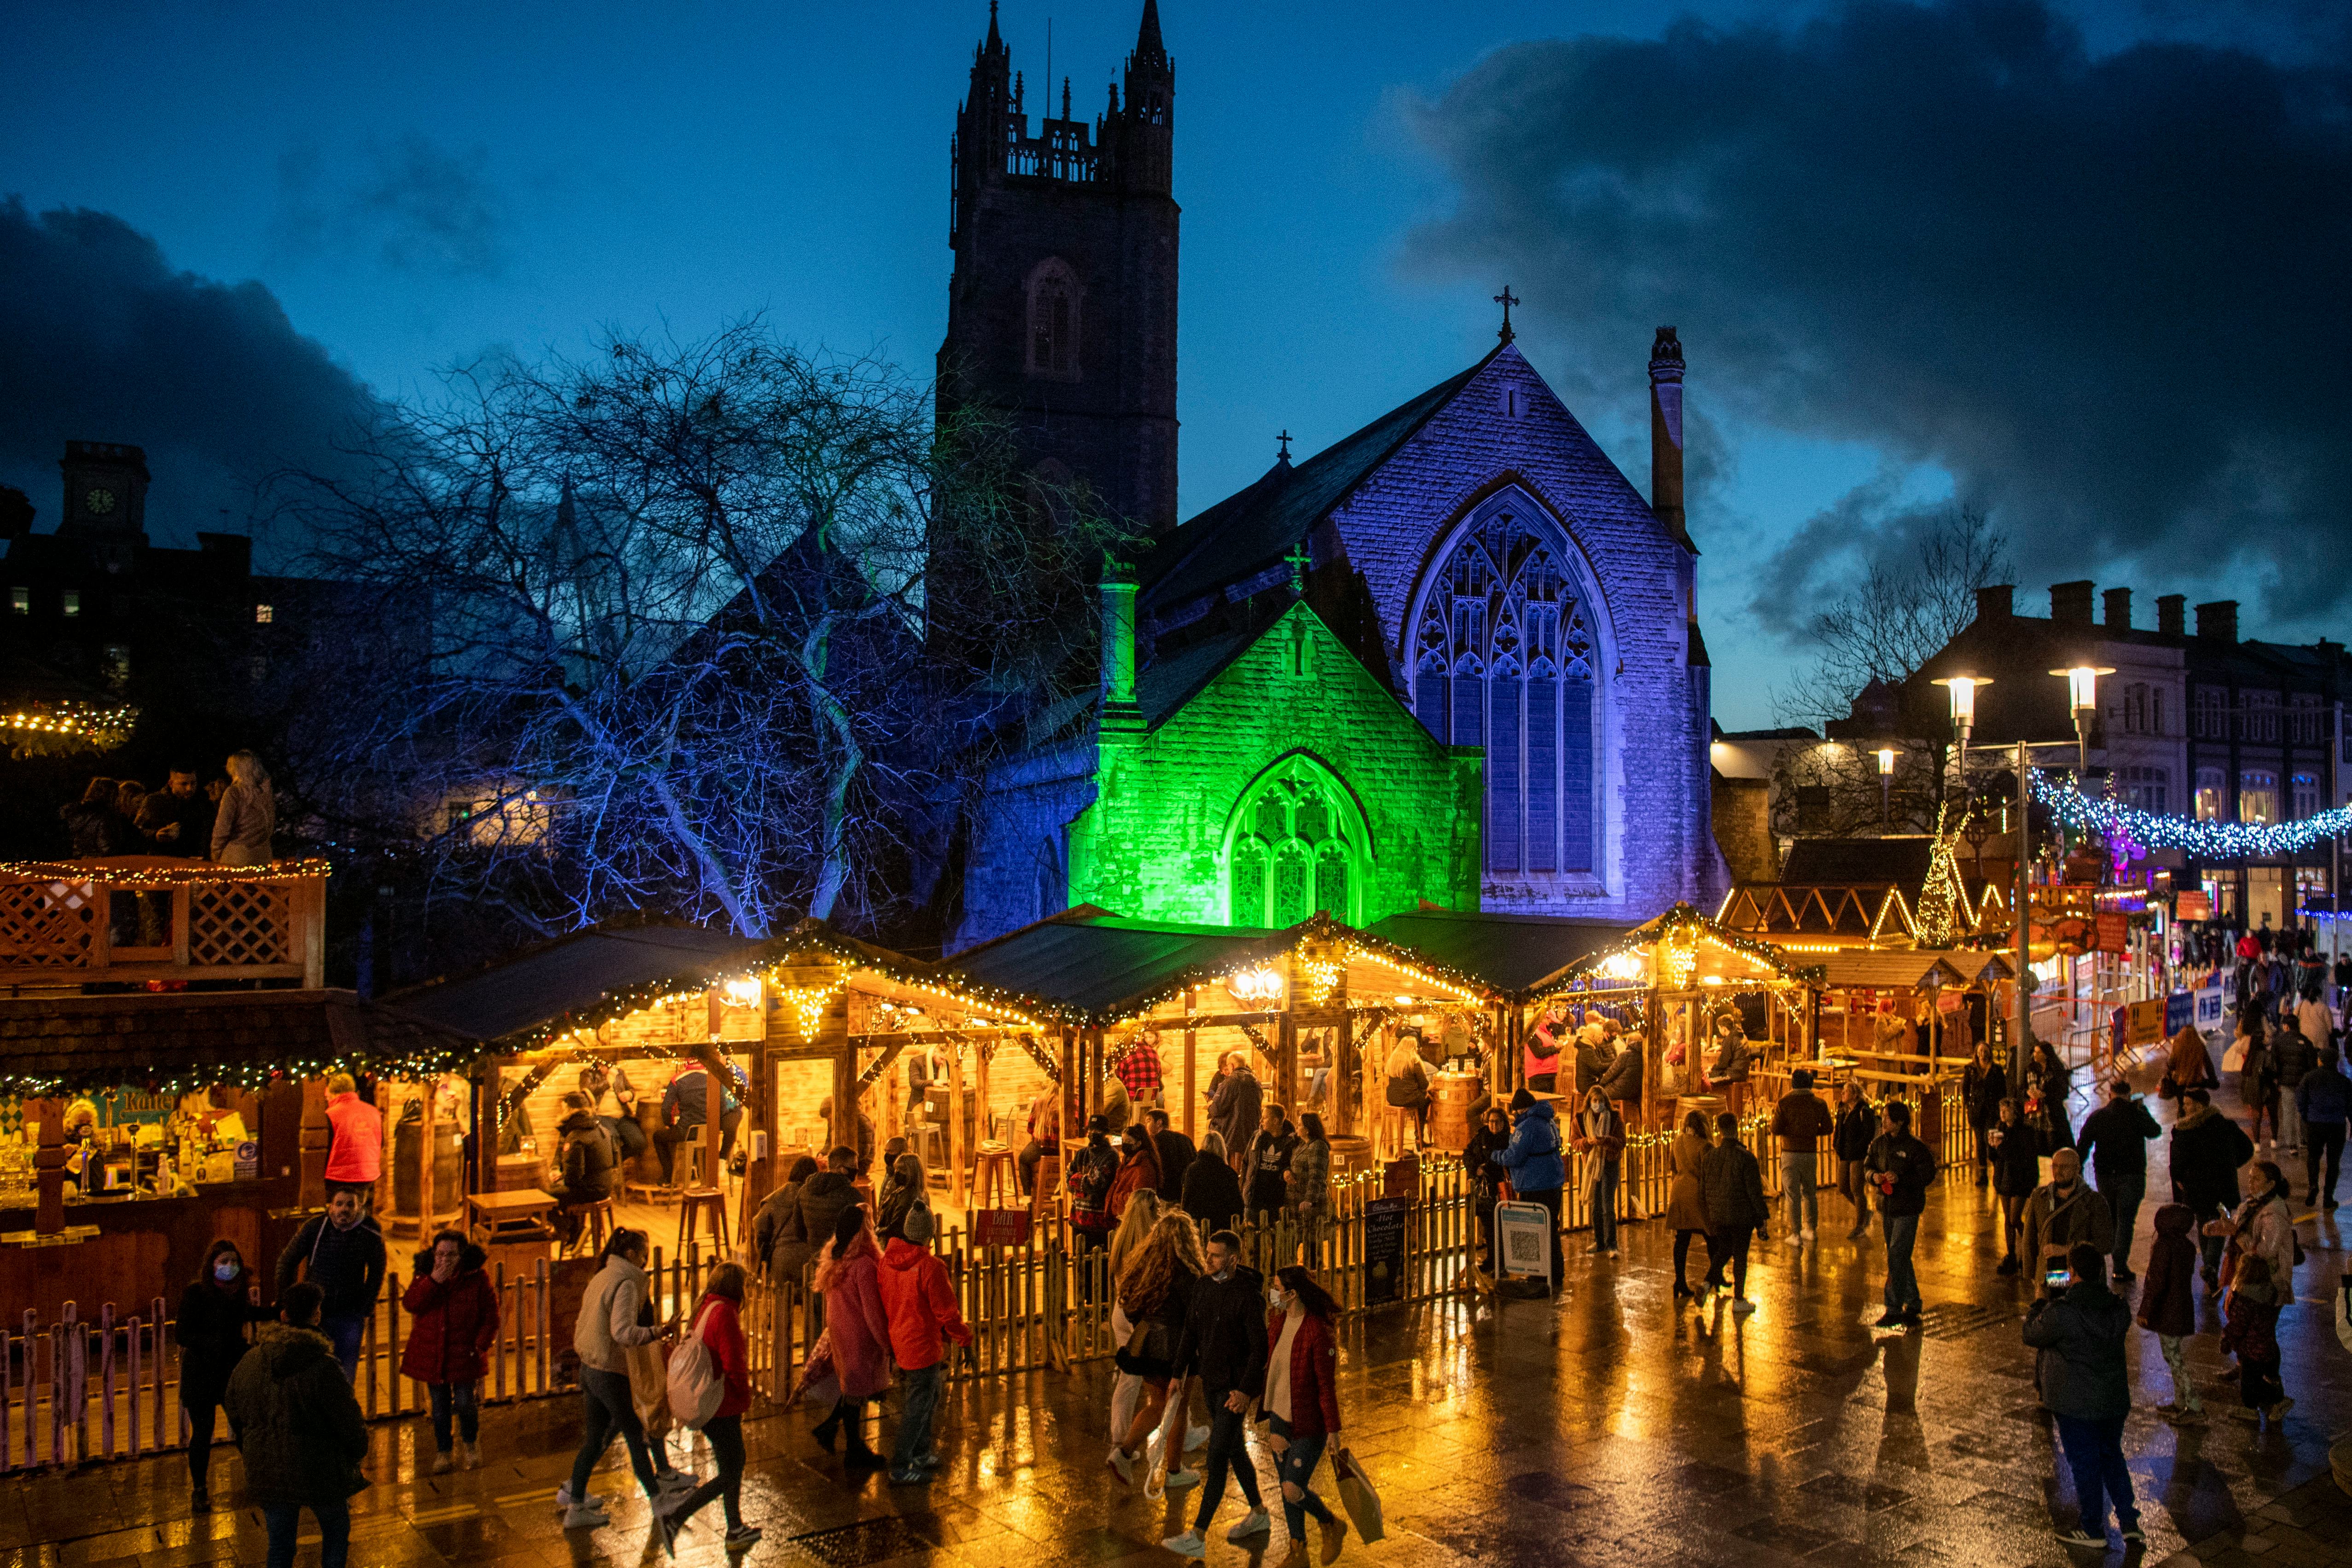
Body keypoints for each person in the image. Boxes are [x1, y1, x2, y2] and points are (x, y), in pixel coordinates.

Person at [224, 1281, 370, 1568]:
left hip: (268, 1469)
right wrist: (356, 1452)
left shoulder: (251, 1361)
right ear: (317, 1316)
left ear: (283, 1316)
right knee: (336, 1534)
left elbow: (234, 1410)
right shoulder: (324, 1366)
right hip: (321, 1471)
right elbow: (349, 1421)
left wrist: (253, 1449)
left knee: (280, 1547)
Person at [563, 1229, 695, 1527]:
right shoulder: (626, 1284)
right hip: (610, 1372)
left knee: (595, 1439)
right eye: (644, 1252)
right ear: (631, 1254)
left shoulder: (602, 1276)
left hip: (590, 1368)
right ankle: (659, 1501)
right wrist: (658, 1332)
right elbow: (622, 1332)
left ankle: (575, 1504)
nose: (647, 1258)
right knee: (635, 1436)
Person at [2023, 1244, 2142, 1550]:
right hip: (2113, 1399)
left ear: (2072, 1273)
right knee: (2111, 1456)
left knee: (2084, 1463)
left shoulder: (2061, 1313)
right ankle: (2129, 1522)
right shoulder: (2118, 1309)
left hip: (2075, 1403)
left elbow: (2031, 1334)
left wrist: (2039, 1302)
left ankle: (2092, 1528)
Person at [1161, 1230, 1271, 1559]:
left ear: (1233, 1259)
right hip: (1211, 1385)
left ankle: (1198, 1534)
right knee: (1236, 1450)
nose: (1208, 1260)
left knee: (1217, 1456)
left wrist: (1245, 1391)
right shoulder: (1203, 1287)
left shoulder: (1247, 1297)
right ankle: (1260, 1513)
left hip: (1233, 1392)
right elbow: (1191, 1331)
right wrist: (1177, 1373)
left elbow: (1260, 1348)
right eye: (1207, 1254)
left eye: (1215, 1256)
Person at [655, 1261, 759, 1553]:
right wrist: (744, 1397)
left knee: (731, 1465)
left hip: (710, 1402)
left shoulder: (706, 1307)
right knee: (732, 1470)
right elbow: (733, 1363)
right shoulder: (725, 1313)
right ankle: (676, 1517)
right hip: (721, 1404)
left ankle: (735, 1528)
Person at [873, 1202, 971, 1485]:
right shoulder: (930, 1267)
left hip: (901, 1340)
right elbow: (947, 1312)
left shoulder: (887, 1263)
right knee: (918, 1406)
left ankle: (921, 1452)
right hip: (923, 1345)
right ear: (931, 1234)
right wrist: (965, 1341)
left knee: (929, 1396)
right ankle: (901, 1465)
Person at [1108, 1210, 1204, 1484]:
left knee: (1158, 1404)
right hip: (1177, 1350)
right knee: (1179, 1407)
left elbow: (1129, 1307)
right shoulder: (1187, 1274)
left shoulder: (1143, 1269)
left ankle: (1124, 1452)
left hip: (1148, 1349)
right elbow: (1196, 1314)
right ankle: (1174, 1471)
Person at [1262, 1266, 1348, 1568]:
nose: (1273, 1294)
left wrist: (1333, 1431)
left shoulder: (1317, 1331)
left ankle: (1330, 1523)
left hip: (1308, 1424)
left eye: (1277, 1288)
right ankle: (1298, 1550)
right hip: (1279, 1419)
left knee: (1292, 1488)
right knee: (1287, 1488)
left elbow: (1326, 1386)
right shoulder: (1278, 1323)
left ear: (1293, 1294)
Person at [178, 1239, 273, 1510]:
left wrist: (276, 1313)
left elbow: (246, 1314)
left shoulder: (236, 1293)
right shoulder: (196, 1294)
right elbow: (182, 1333)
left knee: (243, 1427)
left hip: (229, 1372)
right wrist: (213, 1344)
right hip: (201, 1373)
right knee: (203, 1432)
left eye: (234, 1261)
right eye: (224, 1262)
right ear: (211, 1265)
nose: (230, 1266)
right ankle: (199, 1490)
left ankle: (260, 1479)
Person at [400, 1230, 499, 1473]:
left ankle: (470, 1443)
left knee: (465, 1402)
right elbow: (411, 1303)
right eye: (440, 1254)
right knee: (440, 1407)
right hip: (434, 1353)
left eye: (451, 1255)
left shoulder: (476, 1278)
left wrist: (480, 1345)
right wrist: (433, 1281)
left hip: (465, 1352)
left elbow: (491, 1315)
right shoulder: (425, 1276)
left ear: (461, 1256)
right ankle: (443, 1451)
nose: (445, 1260)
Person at [2208, 1159, 2297, 1425]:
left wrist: (2236, 1234)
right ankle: (2263, 1388)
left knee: (2259, 1339)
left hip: (2266, 1283)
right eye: (2249, 1177)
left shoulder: (2274, 1214)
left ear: (2271, 1184)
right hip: (2247, 1277)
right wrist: (2219, 1227)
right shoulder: (2251, 1204)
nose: (2250, 1182)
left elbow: (2264, 1252)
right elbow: (2238, 1228)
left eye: (2256, 1179)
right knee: (2257, 1338)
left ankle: (2269, 1391)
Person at [811, 1205, 894, 1467]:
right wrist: (887, 1343)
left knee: (852, 1386)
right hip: (860, 1336)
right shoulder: (864, 1266)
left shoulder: (835, 1259)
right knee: (856, 1391)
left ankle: (830, 1429)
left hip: (840, 1331)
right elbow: (872, 1312)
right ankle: (854, 1448)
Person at [274, 1189, 385, 1382]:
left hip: (349, 1314)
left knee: (344, 1373)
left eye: (350, 1204)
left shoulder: (370, 1232)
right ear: (331, 1207)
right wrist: (287, 1302)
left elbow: (377, 1270)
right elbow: (286, 1262)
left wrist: (365, 1306)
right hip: (315, 1313)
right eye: (339, 1204)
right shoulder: (315, 1228)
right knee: (311, 1371)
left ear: (359, 1207)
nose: (344, 1209)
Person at [2073, 1078, 2160, 1282]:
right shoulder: (2137, 1114)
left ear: (2110, 1094)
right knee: (2126, 1221)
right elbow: (2155, 1131)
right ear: (2129, 1095)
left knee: (2110, 1219)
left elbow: (2084, 1144)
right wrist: (2142, 1110)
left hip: (2105, 1176)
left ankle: (2100, 1264)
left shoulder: (2098, 1116)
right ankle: (2120, 1266)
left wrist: (2077, 1169)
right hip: (2132, 1175)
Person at [2169, 1087, 2253, 1292]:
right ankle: (2211, 1267)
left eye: (2187, 1104)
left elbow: (2176, 1164)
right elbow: (2247, 1149)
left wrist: (2180, 1179)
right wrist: (2231, 1164)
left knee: (2203, 1225)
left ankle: (2210, 1267)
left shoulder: (2184, 1131)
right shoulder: (2225, 1125)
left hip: (2197, 1188)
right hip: (2223, 1185)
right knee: (2219, 1224)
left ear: (2199, 1105)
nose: (2184, 1108)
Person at [1865, 1100, 1934, 1328]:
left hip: (1907, 1208)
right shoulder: (1879, 1144)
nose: (1883, 1121)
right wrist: (1874, 1177)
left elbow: (1927, 1174)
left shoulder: (1915, 1147)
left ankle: (1893, 1308)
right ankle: (1913, 1302)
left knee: (1896, 1255)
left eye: (1888, 1118)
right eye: (1883, 1117)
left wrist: (1902, 1179)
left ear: (1900, 1122)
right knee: (1900, 1256)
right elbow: (1868, 1166)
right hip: (1887, 1207)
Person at [1492, 1086, 1566, 1290]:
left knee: (1536, 1230)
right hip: (1553, 1181)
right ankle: (1556, 1272)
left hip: (1535, 1184)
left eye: (1516, 1111)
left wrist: (1496, 1156)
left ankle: (1539, 1275)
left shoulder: (1527, 1127)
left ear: (1521, 1109)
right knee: (1551, 1228)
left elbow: (1515, 1156)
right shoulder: (1549, 1121)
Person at [2137, 1203, 2203, 1426]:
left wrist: (2145, 1310)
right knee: (2173, 1355)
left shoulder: (2164, 1246)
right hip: (2182, 1308)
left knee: (2174, 1358)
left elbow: (2156, 1282)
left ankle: (2194, 1406)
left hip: (2167, 1310)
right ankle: (2180, 1401)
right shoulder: (2188, 1246)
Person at [1697, 1110, 1768, 1312]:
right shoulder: (1746, 1158)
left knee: (1724, 1250)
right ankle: (1739, 1299)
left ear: (1719, 1130)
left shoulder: (1710, 1158)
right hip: (1741, 1215)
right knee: (1740, 1256)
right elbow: (1755, 1193)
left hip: (1718, 1215)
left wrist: (1709, 1215)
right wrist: (1762, 1221)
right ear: (1736, 1128)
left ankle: (1706, 1284)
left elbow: (1703, 1191)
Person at [2021, 1148, 2115, 1283]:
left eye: (2064, 1167)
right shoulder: (2040, 1198)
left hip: (2083, 1281)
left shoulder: (2095, 1202)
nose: (2058, 1171)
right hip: (2050, 1278)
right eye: (2055, 1166)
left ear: (2077, 1169)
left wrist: (2066, 1250)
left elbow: (2105, 1244)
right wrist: (2033, 1277)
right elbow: (2029, 1239)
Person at [773, 1146, 859, 1285]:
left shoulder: (805, 1191)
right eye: (854, 1167)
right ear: (842, 1169)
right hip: (843, 1268)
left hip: (816, 1262)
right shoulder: (853, 1196)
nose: (857, 1170)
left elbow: (799, 1231)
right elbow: (861, 1235)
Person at [1769, 1068, 1836, 1244]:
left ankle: (1796, 1234)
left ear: (1793, 1084)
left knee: (1792, 1195)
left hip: (1790, 1153)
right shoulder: (1820, 1104)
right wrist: (1812, 1132)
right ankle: (1811, 1229)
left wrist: (1791, 1131)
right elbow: (1829, 1128)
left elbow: (1775, 1129)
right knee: (1810, 1193)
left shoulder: (1784, 1103)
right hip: (1810, 1154)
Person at [654, 1061, 744, 1185]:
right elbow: (722, 1108)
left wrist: (669, 1125)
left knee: (658, 1137)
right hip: (710, 1132)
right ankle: (702, 1176)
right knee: (702, 1144)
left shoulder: (677, 1079)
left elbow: (666, 1109)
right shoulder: (714, 1077)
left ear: (686, 1061)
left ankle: (669, 1178)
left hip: (687, 1132)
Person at [551, 1092, 618, 1244]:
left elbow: (573, 1178)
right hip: (605, 1186)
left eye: (563, 1109)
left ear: (569, 1111)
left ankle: (570, 1230)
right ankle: (575, 1237)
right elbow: (614, 1159)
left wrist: (561, 1179)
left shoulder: (576, 1135)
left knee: (543, 1198)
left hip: (590, 1190)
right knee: (562, 1191)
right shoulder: (601, 1128)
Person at [1572, 1085, 1626, 1258]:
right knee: (1596, 1206)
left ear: (1606, 1102)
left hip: (1609, 1164)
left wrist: (1606, 1141)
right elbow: (1574, 1142)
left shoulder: (1614, 1118)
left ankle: (1612, 1244)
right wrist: (1587, 1142)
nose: (1598, 1104)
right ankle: (1599, 1241)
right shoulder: (1580, 1120)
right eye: (1595, 1101)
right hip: (1591, 1165)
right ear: (1589, 1102)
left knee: (1607, 1205)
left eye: (1601, 1101)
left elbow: (1622, 1142)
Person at [1665, 1108, 1713, 1301]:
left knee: (1682, 1239)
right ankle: (1715, 1277)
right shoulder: (1706, 1146)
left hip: (1679, 1190)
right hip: (1697, 1193)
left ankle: (1680, 1281)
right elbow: (1708, 1172)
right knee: (1712, 1236)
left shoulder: (1677, 1141)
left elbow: (1672, 1166)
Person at [1990, 1097, 2042, 1274]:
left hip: (2020, 1180)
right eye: (2001, 1110)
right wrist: (1992, 1147)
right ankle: (2011, 1254)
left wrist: (2001, 1147)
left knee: (2014, 1218)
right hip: (2004, 1179)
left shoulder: (2025, 1131)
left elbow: (2019, 1157)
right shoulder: (2000, 1128)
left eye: (2007, 1110)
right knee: (2008, 1219)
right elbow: (1996, 1157)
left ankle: (2031, 1247)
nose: (2003, 1114)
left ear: (2016, 1112)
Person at [1068, 1116, 1122, 1284]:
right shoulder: (1081, 1154)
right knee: (1081, 1271)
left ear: (1105, 1133)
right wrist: (1083, 1180)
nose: (1093, 1134)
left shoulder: (1111, 1156)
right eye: (1091, 1130)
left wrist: (1078, 1180)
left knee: (1101, 1272)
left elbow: (1098, 1184)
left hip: (1100, 1223)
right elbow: (1068, 1182)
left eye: (1097, 1130)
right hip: (1079, 1220)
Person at [754, 1155, 822, 1279]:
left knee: (781, 1291)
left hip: (781, 1259)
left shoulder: (774, 1198)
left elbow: (760, 1227)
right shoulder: (817, 1198)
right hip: (810, 1258)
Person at [1464, 1104, 1513, 1276]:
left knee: (1501, 1227)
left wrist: (1486, 1168)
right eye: (1491, 1121)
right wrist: (1475, 1168)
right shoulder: (1482, 1136)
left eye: (1497, 1122)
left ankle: (1502, 1264)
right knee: (1489, 1227)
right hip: (1483, 1192)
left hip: (1498, 1189)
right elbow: (1468, 1153)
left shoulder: (1507, 1139)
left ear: (1503, 1123)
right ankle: (1491, 1260)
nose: (1493, 1125)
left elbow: (1504, 1161)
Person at [2295, 1045, 2347, 1207]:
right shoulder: (2344, 1081)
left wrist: (2306, 1115)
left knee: (2313, 1157)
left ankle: (2313, 1186)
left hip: (2315, 1123)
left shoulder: (2310, 1077)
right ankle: (2328, 1197)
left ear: (2321, 1061)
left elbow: (2300, 1098)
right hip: (2337, 1125)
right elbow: (2350, 1104)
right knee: (2333, 1162)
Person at [210, 750, 276, 865]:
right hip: (264, 856)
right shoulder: (265, 793)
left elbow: (222, 827)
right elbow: (270, 825)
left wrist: (216, 852)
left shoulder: (234, 792)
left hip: (237, 856)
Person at [320, 1074, 381, 1198]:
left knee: (341, 1208)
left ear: (334, 1093)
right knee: (359, 1205)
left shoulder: (331, 1114)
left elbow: (326, 1147)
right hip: (368, 1173)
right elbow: (382, 1142)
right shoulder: (373, 1111)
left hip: (339, 1176)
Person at [1833, 1078, 1876, 1239]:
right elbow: (1838, 1129)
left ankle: (1860, 1225)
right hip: (1844, 1154)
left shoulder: (1864, 1111)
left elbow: (1868, 1133)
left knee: (1857, 1189)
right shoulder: (1843, 1110)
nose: (1843, 1093)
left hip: (1858, 1155)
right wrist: (1836, 1144)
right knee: (1843, 1187)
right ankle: (1865, 1213)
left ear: (1855, 1094)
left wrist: (1859, 1148)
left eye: (1846, 1091)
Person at [1962, 1039, 2008, 1186]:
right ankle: (1983, 1174)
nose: (1983, 1054)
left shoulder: (1996, 1070)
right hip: (1977, 1111)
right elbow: (1965, 1088)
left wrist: (2001, 1108)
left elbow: (2003, 1090)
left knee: (1989, 1140)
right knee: (1980, 1142)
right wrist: (1968, 1104)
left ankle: (1997, 1169)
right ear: (1976, 1054)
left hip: (1991, 1110)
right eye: (1980, 1051)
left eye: (1985, 1051)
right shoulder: (1971, 1069)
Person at [1245, 1104, 1301, 1221]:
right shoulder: (1258, 1138)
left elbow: (1293, 1165)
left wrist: (1286, 1171)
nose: (1261, 1121)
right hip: (1254, 1200)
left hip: (1277, 1203)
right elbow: (1246, 1163)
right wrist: (1244, 1188)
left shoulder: (1291, 1142)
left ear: (1275, 1121)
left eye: (1265, 1118)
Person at [2023, 1038, 2073, 1169]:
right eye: (2034, 1052)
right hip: (2035, 1115)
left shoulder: (2056, 1071)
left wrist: (2045, 1095)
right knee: (2037, 1145)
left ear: (2046, 1055)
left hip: (2052, 1115)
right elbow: (2023, 1088)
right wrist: (2029, 1093)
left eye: (2038, 1052)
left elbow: (2063, 1092)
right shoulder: (2031, 1070)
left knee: (2053, 1144)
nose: (2035, 1055)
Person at [2271, 1013, 2316, 1155]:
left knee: (2288, 1112)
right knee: (2302, 1111)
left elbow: (2274, 1063)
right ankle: (2304, 1140)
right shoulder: (2306, 1041)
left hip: (2286, 1082)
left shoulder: (2279, 1042)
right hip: (2303, 1083)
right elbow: (2312, 1064)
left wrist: (2277, 1079)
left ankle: (2292, 1145)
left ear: (2286, 1026)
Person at [1210, 1055, 1263, 1167]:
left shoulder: (1231, 1081)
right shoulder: (1256, 1082)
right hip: (1252, 1134)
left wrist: (1211, 1106)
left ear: (1232, 1066)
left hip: (1233, 1136)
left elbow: (1217, 1109)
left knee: (1234, 1170)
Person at [1289, 1112, 1332, 1238]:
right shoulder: (1303, 1144)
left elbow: (1316, 1176)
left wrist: (1309, 1200)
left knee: (1312, 1241)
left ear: (1307, 1130)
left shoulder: (1318, 1146)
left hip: (1310, 1204)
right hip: (1297, 1200)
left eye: (1299, 1125)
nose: (1297, 1127)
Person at [1111, 1123, 1163, 1221]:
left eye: (1129, 1141)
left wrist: (1118, 1198)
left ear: (1139, 1143)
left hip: (1135, 1218)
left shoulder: (1143, 1167)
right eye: (1123, 1141)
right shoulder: (1127, 1162)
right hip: (1125, 1216)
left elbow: (1140, 1197)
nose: (1125, 1144)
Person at [1018, 1087, 1062, 1197]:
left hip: (1043, 1148)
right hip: (1065, 1149)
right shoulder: (1075, 1100)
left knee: (1023, 1159)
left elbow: (1030, 1128)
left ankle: (1027, 1198)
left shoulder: (1041, 1100)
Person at [876, 1153, 928, 1245]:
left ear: (912, 1173)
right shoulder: (902, 1190)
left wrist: (877, 1231)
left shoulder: (910, 1197)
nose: (897, 1172)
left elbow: (896, 1228)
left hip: (900, 1245)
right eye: (897, 1169)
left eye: (902, 1170)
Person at [1146, 1108, 1195, 1202]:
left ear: (1159, 1123)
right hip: (1185, 1191)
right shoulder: (1185, 1139)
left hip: (1166, 1193)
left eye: (1149, 1121)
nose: (1146, 1125)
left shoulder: (1155, 1142)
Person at [1520, 1010, 1562, 1096]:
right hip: (1539, 1075)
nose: (1552, 1023)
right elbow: (1539, 1052)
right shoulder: (1533, 1033)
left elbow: (1547, 1050)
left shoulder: (1546, 1033)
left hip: (1548, 1073)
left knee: (1550, 1101)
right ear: (1544, 1018)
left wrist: (1557, 1049)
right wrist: (1555, 1048)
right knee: (1542, 1101)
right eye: (1551, 1020)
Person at [1572, 1022, 1613, 1098]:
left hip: (1591, 1082)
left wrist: (1616, 1061)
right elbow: (1599, 1067)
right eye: (1600, 1035)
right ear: (1593, 1036)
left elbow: (1601, 1061)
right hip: (1588, 1085)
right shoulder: (1587, 1050)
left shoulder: (1589, 1046)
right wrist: (1615, 1064)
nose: (1602, 1037)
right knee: (1613, 1089)